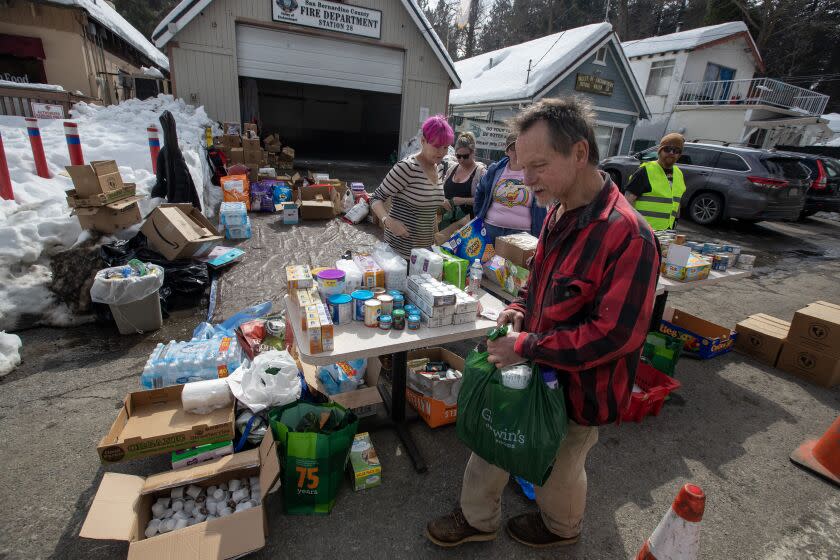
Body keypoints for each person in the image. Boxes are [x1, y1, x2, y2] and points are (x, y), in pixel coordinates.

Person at [426, 98, 660, 549]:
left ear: (578, 153)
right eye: (520, 163)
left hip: (578, 390)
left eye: (538, 165)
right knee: (492, 440)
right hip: (527, 367)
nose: (526, 179)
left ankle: (560, 529)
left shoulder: (629, 236)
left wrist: (527, 347)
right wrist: (517, 308)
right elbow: (539, 280)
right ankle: (478, 519)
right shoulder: (558, 210)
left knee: (560, 466)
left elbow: (616, 334)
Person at [370, 115, 454, 258]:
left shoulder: (439, 168)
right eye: (436, 146)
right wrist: (388, 221)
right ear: (423, 141)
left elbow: (430, 210)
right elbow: (376, 198)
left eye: (445, 147)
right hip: (399, 253)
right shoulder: (407, 168)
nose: (441, 152)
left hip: (424, 253)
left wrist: (435, 239)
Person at [474, 133, 547, 243]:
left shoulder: (535, 173)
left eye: (521, 147)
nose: (517, 152)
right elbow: (480, 191)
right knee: (485, 261)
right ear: (507, 151)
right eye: (513, 148)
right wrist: (479, 216)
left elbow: (544, 201)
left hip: (522, 235)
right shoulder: (495, 169)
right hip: (491, 229)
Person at [623, 133, 686, 231]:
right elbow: (627, 201)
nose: (671, 153)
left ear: (679, 155)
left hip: (665, 233)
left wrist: (674, 225)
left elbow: (676, 202)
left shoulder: (679, 174)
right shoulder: (645, 171)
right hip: (643, 232)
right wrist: (634, 228)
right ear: (659, 151)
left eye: (676, 150)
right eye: (667, 149)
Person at [443, 132, 486, 219]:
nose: (461, 160)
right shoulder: (452, 169)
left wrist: (463, 201)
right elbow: (441, 191)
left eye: (465, 156)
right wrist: (443, 200)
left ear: (473, 153)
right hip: (446, 222)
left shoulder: (480, 173)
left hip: (469, 225)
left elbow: (485, 199)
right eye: (458, 156)